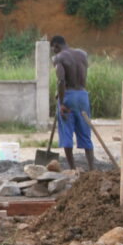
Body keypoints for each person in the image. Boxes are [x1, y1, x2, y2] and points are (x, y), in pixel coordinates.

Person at [49, 35, 95, 170]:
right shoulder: (82, 54)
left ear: (56, 46)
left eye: (53, 49)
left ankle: (73, 169)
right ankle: (92, 169)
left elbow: (61, 81)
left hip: (68, 96)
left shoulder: (59, 58)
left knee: (66, 132)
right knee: (85, 132)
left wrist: (62, 102)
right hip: (82, 96)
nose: (54, 52)